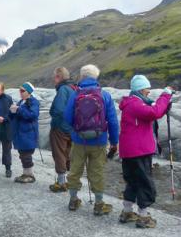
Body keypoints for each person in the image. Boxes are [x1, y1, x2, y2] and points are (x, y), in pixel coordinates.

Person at [119, 75, 174, 228]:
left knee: (133, 181)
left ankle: (127, 211)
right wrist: (165, 95)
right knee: (144, 182)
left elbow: (152, 111)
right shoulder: (135, 104)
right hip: (139, 150)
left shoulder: (131, 103)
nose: (149, 91)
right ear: (141, 89)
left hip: (129, 150)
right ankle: (143, 216)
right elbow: (154, 113)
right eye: (147, 88)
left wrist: (162, 105)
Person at [64, 64, 119, 215]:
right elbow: (113, 121)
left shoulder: (75, 95)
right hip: (99, 141)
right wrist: (114, 141)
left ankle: (73, 200)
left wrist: (76, 130)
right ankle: (99, 204)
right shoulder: (105, 95)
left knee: (75, 170)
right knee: (97, 171)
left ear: (82, 77)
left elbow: (67, 117)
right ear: (96, 77)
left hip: (78, 140)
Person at [49, 67, 75, 192]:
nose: (53, 80)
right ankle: (70, 179)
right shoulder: (74, 88)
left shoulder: (63, 89)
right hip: (72, 128)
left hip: (60, 128)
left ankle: (61, 182)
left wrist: (52, 114)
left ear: (58, 77)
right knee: (68, 152)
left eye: (54, 77)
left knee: (59, 153)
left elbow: (59, 110)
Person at [10, 82, 40, 183]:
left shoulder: (33, 102)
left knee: (26, 154)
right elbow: (17, 116)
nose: (20, 92)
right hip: (20, 133)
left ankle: (30, 175)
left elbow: (33, 115)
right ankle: (26, 173)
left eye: (23, 91)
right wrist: (12, 112)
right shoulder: (21, 102)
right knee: (22, 154)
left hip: (28, 133)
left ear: (29, 92)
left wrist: (19, 110)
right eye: (20, 90)